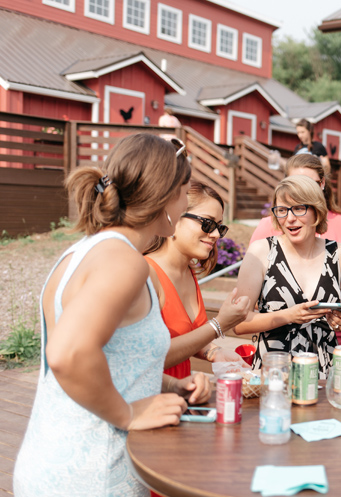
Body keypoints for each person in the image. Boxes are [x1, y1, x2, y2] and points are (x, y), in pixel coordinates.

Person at [16, 133, 211, 496]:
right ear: (167, 195)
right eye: (184, 191)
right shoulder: (125, 262)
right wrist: (128, 414)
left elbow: (113, 355)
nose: (186, 202)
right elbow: (67, 354)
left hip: (50, 462)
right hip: (94, 474)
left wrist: (169, 386)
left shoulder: (83, 251)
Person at [234, 174, 341, 378]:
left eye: (299, 208)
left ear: (316, 211)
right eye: (282, 210)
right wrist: (289, 316)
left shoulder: (339, 253)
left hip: (325, 374)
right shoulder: (261, 251)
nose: (290, 218)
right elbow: (238, 323)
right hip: (274, 373)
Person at [144, 181, 255, 378]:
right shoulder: (146, 275)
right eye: (207, 223)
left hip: (181, 399)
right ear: (174, 217)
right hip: (151, 402)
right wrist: (219, 324)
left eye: (219, 227)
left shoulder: (188, 271)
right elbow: (149, 358)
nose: (214, 235)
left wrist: (214, 352)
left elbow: (184, 337)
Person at [250, 155, 341, 247]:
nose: (304, 191)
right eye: (296, 184)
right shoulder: (268, 225)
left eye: (311, 184)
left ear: (322, 183)